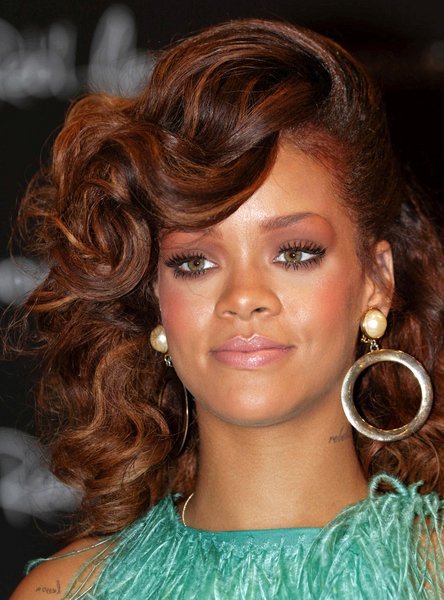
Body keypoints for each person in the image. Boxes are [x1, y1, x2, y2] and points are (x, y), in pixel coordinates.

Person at [9, 18, 443, 599]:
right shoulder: (64, 593)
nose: (243, 297)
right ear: (155, 297)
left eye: (295, 253)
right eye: (195, 262)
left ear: (376, 281)